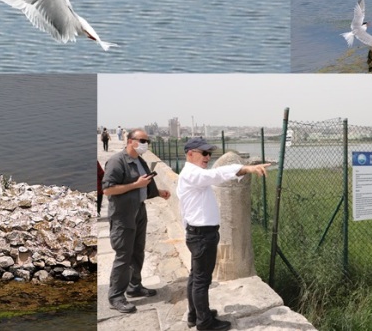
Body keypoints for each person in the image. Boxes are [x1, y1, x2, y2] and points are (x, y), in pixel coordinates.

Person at [176, 137, 268, 331]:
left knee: (196, 277)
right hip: (201, 235)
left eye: (209, 153)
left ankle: (196, 315)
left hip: (198, 234)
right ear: (190, 154)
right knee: (202, 280)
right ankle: (205, 322)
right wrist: (246, 168)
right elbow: (217, 174)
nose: (208, 157)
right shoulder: (192, 174)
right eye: (204, 153)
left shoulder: (193, 173)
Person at [102, 129, 171, 314]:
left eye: (147, 141)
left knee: (138, 251)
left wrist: (159, 191)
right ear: (130, 141)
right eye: (142, 140)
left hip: (139, 210)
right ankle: (116, 296)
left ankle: (134, 285)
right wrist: (135, 185)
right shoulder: (117, 161)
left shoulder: (140, 160)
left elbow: (144, 184)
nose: (145, 144)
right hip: (123, 214)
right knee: (124, 254)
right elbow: (107, 190)